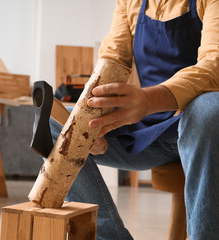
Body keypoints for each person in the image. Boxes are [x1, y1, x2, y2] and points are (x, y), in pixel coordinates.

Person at [50, 0, 219, 239]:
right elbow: (111, 61)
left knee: (209, 108)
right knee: (57, 121)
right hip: (148, 130)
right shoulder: (129, 2)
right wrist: (93, 121)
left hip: (202, 129)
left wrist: (148, 100)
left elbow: (214, 66)